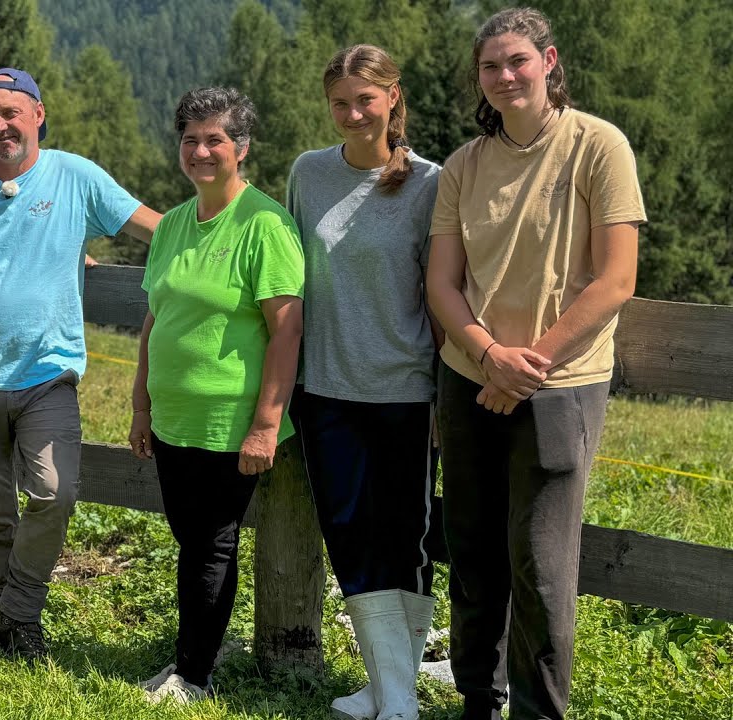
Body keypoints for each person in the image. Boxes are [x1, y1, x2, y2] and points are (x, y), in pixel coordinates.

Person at [426, 8, 645, 719]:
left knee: (542, 567)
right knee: (472, 552)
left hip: (561, 386)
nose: (504, 75)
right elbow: (441, 283)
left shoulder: (598, 146)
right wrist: (490, 355)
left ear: (549, 62)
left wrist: (529, 365)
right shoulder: (464, 165)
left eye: (517, 60)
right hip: (469, 378)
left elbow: (616, 280)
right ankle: (478, 702)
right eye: (490, 66)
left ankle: (539, 712)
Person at [0, 68, 159, 660]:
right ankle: (17, 628)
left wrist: (232, 234)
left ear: (38, 114)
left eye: (11, 113)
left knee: (54, 491)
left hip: (47, 376)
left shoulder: (74, 176)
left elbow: (157, 229)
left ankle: (15, 615)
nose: (0, 126)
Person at [129, 87, 304, 704]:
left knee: (210, 543)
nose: (200, 152)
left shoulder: (265, 225)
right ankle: (197, 652)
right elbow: (155, 319)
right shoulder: (174, 224)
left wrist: (266, 425)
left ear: (242, 148)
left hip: (229, 420)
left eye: (215, 140)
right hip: (173, 417)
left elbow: (287, 332)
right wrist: (141, 406)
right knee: (191, 539)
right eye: (190, 140)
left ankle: (194, 675)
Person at [284, 45, 441, 720]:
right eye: (340, 103)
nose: (353, 114)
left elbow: (443, 292)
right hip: (325, 389)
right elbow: (288, 277)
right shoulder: (308, 172)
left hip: (406, 390)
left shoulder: (430, 182)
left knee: (405, 538)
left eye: (365, 100)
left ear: (392, 97)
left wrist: (446, 395)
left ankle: (395, 694)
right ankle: (390, 690)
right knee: (348, 532)